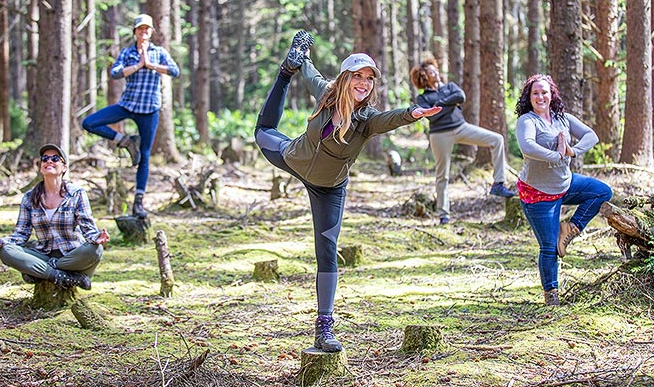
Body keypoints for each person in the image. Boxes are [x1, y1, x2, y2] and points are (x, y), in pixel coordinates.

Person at [254, 31, 442, 352]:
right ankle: (282, 73)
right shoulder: (327, 94)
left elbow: (388, 119)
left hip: (329, 189)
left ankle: (324, 328)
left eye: (369, 78)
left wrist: (413, 113)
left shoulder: (366, 119)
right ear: (345, 78)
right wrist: (298, 62)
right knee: (262, 132)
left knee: (326, 253)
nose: (364, 83)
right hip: (293, 158)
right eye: (358, 76)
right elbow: (310, 72)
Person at [515, 74, 612, 306]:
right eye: (535, 93)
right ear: (529, 97)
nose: (540, 96)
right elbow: (527, 146)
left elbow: (592, 136)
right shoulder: (527, 120)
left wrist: (572, 151)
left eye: (544, 92)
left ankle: (570, 228)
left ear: (552, 94)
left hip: (565, 184)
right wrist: (556, 155)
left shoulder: (562, 118)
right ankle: (552, 297)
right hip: (538, 193)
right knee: (549, 247)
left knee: (602, 192)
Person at [82, 13, 180, 218]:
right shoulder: (127, 53)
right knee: (89, 123)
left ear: (151, 32)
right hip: (127, 105)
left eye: (147, 29)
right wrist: (137, 66)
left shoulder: (159, 52)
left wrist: (151, 64)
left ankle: (139, 202)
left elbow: (175, 71)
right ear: (135, 32)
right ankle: (125, 141)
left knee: (144, 156)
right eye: (140, 29)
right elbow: (115, 73)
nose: (143, 32)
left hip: (149, 110)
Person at [0, 144, 109, 290]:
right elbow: (21, 235)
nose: (49, 161)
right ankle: (63, 277)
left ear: (64, 167)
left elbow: (88, 228)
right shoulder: (29, 198)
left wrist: (97, 238)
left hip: (72, 257)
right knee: (6, 251)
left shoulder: (77, 194)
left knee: (96, 250)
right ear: (41, 167)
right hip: (43, 254)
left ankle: (42, 271)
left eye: (55, 158)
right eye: (45, 159)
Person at [410, 56, 515, 225]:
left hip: (461, 127)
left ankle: (498, 183)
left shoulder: (449, 87)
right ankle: (444, 215)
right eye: (431, 72)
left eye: (435, 70)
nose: (435, 73)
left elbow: (461, 96)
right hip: (439, 135)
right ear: (424, 76)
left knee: (497, 139)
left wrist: (440, 104)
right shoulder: (422, 98)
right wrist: (450, 104)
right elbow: (432, 116)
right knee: (442, 175)